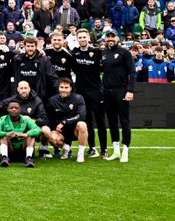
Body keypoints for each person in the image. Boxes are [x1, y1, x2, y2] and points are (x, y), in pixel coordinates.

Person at [101, 30, 136, 163]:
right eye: (108, 36)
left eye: (112, 36)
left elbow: (132, 72)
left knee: (124, 121)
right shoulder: (103, 52)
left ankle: (125, 151)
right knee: (111, 121)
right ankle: (116, 151)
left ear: (117, 38)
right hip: (107, 91)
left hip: (121, 90)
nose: (110, 39)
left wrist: (130, 90)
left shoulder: (124, 52)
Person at [72, 28, 107, 157]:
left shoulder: (97, 52)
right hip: (81, 92)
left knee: (100, 121)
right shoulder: (74, 53)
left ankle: (104, 150)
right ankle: (92, 148)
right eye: (79, 37)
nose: (82, 39)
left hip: (96, 90)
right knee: (87, 121)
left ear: (88, 38)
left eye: (84, 37)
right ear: (77, 39)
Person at [46, 77, 89, 163]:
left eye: (66, 87)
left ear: (71, 88)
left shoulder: (78, 98)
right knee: (52, 137)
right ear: (58, 88)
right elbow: (49, 117)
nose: (64, 90)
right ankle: (66, 148)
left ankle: (80, 154)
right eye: (61, 87)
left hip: (74, 130)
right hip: (60, 131)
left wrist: (65, 122)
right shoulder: (52, 100)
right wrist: (54, 129)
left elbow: (81, 115)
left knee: (82, 125)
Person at [0, 101, 42, 168]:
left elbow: (38, 129)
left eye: (16, 108)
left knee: (30, 136)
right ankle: (4, 158)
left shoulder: (26, 119)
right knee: (3, 136)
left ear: (20, 109)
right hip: (10, 150)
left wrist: (25, 134)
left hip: (24, 149)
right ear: (7, 109)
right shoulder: (3, 119)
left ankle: (29, 158)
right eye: (11, 108)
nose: (14, 109)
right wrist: (6, 133)